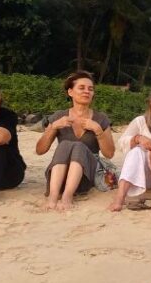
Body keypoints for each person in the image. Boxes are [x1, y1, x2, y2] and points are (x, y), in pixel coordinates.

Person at [36, 71, 116, 211]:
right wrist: (53, 127)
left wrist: (98, 130)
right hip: (59, 178)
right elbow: (40, 150)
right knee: (66, 145)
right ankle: (53, 197)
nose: (87, 91)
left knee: (78, 146)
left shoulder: (100, 118)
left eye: (90, 89)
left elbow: (109, 153)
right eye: (82, 88)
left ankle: (67, 197)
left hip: (85, 177)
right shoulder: (59, 116)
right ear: (70, 92)